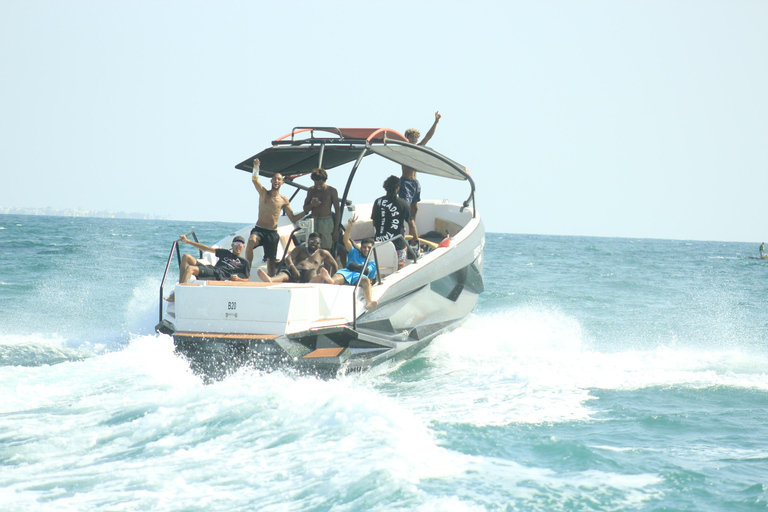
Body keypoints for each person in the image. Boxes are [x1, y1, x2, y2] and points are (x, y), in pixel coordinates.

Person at [247, 158, 314, 277]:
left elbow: (293, 218)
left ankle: (271, 280)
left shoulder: (284, 200)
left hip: (272, 233)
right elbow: (255, 180)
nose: (276, 181)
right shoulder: (264, 193)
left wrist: (307, 209)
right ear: (271, 181)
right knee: (251, 240)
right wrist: (256, 167)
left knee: (271, 263)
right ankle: (246, 270)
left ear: (282, 182)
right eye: (275, 179)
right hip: (259, 229)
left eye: (279, 179)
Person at [314, 215, 378, 310]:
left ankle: (369, 302)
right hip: (347, 272)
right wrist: (350, 226)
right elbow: (345, 240)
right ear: (361, 247)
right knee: (337, 276)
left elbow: (371, 279)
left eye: (369, 248)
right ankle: (331, 280)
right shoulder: (354, 252)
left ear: (372, 250)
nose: (366, 249)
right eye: (364, 247)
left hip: (359, 276)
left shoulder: (373, 264)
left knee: (366, 281)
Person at [166, 235, 250, 301]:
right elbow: (206, 248)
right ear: (232, 245)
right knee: (186, 256)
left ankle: (177, 295)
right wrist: (188, 241)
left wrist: (239, 279)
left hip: (218, 276)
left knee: (190, 269)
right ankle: (180, 286)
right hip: (212, 270)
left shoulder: (244, 262)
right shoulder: (225, 252)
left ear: (243, 247)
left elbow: (248, 280)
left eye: (240, 244)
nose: (238, 246)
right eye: (236, 244)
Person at [400, 111, 441, 220]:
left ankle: (412, 229)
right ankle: (400, 229)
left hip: (415, 183)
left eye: (415, 137)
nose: (414, 139)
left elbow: (428, 137)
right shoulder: (403, 150)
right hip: (406, 182)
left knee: (415, 208)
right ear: (406, 138)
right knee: (405, 207)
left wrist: (436, 122)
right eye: (411, 137)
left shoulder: (418, 148)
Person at [372, 175, 418, 270]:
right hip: (398, 246)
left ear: (385, 187)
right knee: (399, 271)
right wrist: (415, 239)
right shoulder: (403, 204)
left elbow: (374, 223)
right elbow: (412, 225)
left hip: (380, 244)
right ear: (398, 188)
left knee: (380, 270)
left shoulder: (378, 202)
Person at [257, 232, 338, 283]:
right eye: (312, 241)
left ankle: (313, 283)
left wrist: (334, 278)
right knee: (284, 274)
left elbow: (334, 264)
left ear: (320, 244)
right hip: (295, 270)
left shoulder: (322, 253)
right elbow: (288, 258)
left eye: (317, 242)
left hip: (308, 272)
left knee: (314, 273)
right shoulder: (300, 249)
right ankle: (271, 279)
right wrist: (293, 268)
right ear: (308, 241)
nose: (314, 243)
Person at [303, 168, 340, 252]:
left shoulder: (332, 191)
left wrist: (336, 229)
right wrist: (312, 205)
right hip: (314, 220)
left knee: (326, 248)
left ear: (325, 180)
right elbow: (305, 208)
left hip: (327, 221)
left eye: (320, 184)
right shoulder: (311, 190)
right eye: (316, 184)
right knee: (312, 247)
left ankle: (326, 265)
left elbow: (337, 210)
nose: (318, 186)